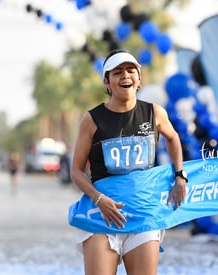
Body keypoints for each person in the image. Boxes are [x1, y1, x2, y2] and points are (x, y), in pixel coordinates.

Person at [70, 49, 187, 275]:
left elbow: (173, 138)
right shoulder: (92, 120)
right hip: (101, 216)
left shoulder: (154, 113)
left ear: (139, 78)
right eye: (117, 72)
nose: (125, 76)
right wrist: (99, 199)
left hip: (144, 215)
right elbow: (76, 171)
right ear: (107, 81)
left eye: (131, 70)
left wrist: (179, 176)